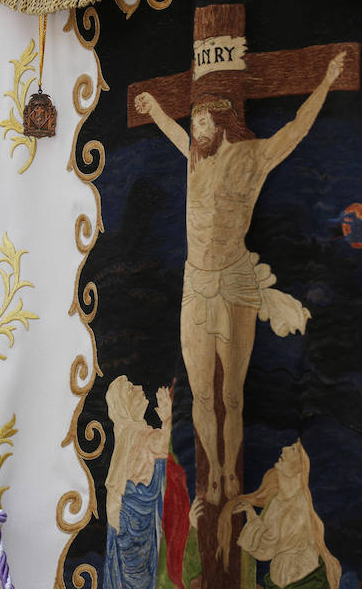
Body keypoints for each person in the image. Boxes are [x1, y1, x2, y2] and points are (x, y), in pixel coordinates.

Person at [133, 51, 345, 504]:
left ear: (222, 123)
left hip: (235, 281)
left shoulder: (254, 157)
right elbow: (173, 133)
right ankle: (211, 476)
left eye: (203, 122)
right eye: (195, 123)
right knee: (201, 393)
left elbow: (297, 129)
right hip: (196, 283)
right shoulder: (194, 158)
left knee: (231, 393)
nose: (196, 130)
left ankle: (230, 473)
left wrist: (326, 81)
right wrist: (153, 110)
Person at [216, 440, 341, 589]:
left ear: (301, 466)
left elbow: (268, 545)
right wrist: (251, 514)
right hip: (283, 580)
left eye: (293, 450)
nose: (284, 449)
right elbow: (267, 542)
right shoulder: (277, 501)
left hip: (304, 581)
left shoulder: (299, 504)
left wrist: (251, 518)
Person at [103, 375, 172, 589]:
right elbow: (166, 446)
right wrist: (169, 416)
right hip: (134, 524)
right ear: (125, 403)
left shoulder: (126, 432)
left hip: (125, 519)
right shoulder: (136, 433)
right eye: (133, 390)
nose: (141, 390)